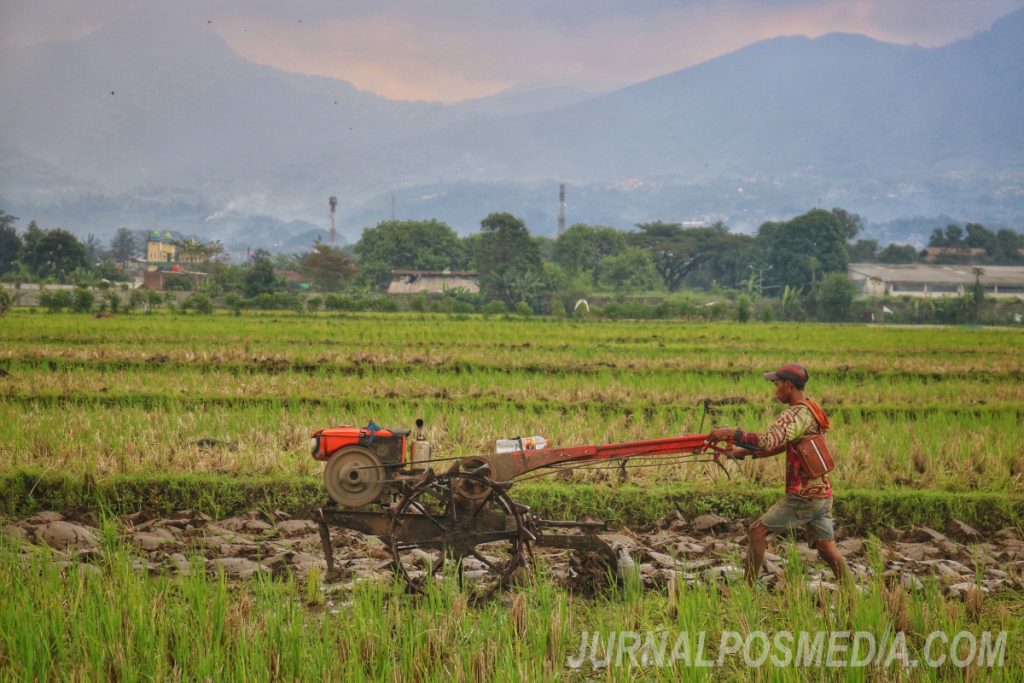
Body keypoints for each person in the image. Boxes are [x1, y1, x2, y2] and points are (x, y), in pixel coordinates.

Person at [707, 363, 850, 586]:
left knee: (757, 532)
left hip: (803, 495)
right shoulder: (811, 409)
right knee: (827, 547)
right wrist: (741, 452)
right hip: (822, 493)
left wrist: (731, 433)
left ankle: (747, 589)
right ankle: (851, 591)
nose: (775, 391)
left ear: (788, 385)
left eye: (776, 385)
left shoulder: (792, 415)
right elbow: (780, 445)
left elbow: (767, 441)